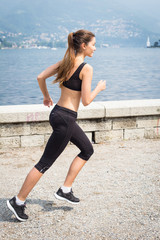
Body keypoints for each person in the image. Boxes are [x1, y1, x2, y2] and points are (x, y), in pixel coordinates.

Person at [7, 29, 106, 222]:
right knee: (44, 163)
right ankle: (18, 201)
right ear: (84, 46)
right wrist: (99, 88)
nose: (95, 48)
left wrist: (46, 96)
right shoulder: (86, 68)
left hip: (58, 114)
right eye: (93, 44)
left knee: (87, 149)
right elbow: (86, 101)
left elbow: (40, 77)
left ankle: (65, 189)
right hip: (67, 118)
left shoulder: (65, 62)